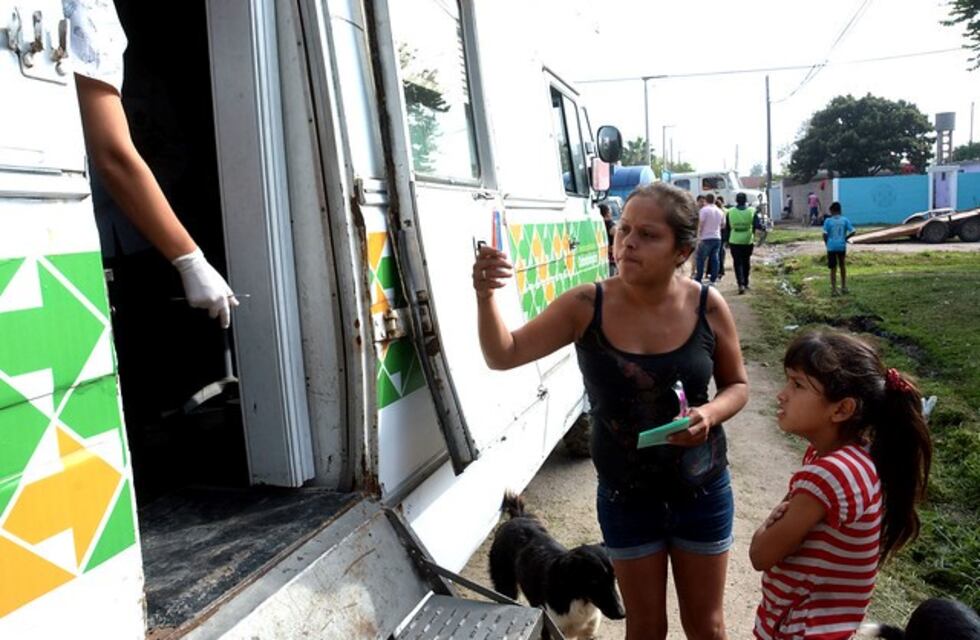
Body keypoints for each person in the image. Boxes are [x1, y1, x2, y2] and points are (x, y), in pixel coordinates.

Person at [473, 182, 749, 639]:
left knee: (707, 625)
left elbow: (737, 385)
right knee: (645, 626)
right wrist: (485, 297)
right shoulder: (587, 304)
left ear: (681, 250)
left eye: (647, 234)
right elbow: (504, 353)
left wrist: (711, 414)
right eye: (623, 230)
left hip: (701, 490)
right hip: (627, 497)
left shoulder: (707, 305)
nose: (627, 242)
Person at [64, 0, 237, 327]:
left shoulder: (147, 81)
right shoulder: (86, 9)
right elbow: (113, 155)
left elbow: (172, 150)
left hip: (137, 232)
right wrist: (190, 260)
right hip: (81, 230)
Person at [750, 330, 932, 640]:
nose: (782, 394)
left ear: (842, 409)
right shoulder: (853, 458)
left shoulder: (831, 474)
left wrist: (766, 525)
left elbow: (760, 554)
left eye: (797, 385)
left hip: (799, 631)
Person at [727, 192, 761, 294]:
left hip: (734, 240)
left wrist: (726, 240)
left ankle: (740, 284)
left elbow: (727, 228)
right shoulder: (751, 211)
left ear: (736, 200)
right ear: (746, 201)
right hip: (747, 240)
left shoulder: (730, 211)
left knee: (737, 263)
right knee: (746, 261)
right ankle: (746, 282)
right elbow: (757, 225)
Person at [823, 201, 855, 296]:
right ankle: (844, 286)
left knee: (833, 268)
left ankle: (833, 289)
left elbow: (824, 234)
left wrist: (827, 244)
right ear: (840, 210)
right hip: (841, 246)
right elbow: (853, 231)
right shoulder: (845, 220)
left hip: (831, 247)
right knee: (842, 266)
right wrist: (846, 238)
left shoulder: (828, 221)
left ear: (832, 211)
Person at [694, 193, 724, 284]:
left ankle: (699, 277)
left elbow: (700, 223)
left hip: (705, 237)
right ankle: (713, 278)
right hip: (717, 236)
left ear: (706, 200)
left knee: (700, 258)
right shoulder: (720, 211)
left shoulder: (704, 210)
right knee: (715, 258)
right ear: (715, 200)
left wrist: (698, 234)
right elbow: (723, 225)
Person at [600, 203, 617, 275]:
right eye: (610, 211)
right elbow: (614, 231)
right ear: (607, 213)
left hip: (602, 254)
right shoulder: (609, 223)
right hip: (610, 256)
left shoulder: (599, 223)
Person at [716, 196, 728, 279]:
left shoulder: (723, 211)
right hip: (723, 234)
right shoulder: (726, 211)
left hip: (718, 233)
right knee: (721, 252)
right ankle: (721, 269)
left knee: (716, 253)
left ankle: (719, 270)